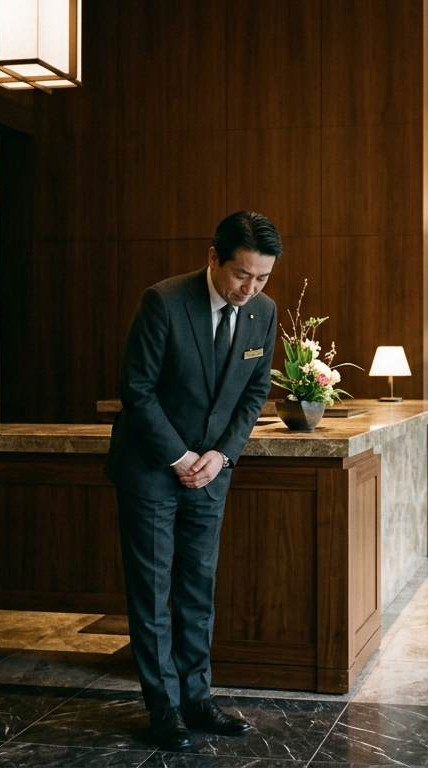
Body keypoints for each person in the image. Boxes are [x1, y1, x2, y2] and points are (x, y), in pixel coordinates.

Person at [105, 212, 281, 751]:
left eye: (262, 279)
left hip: (211, 474)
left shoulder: (264, 312)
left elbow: (253, 394)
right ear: (213, 257)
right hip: (152, 470)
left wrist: (221, 456)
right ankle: (164, 709)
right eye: (241, 275)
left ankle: (197, 699)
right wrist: (181, 457)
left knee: (197, 591)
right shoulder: (163, 301)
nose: (250, 290)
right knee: (154, 594)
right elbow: (136, 390)